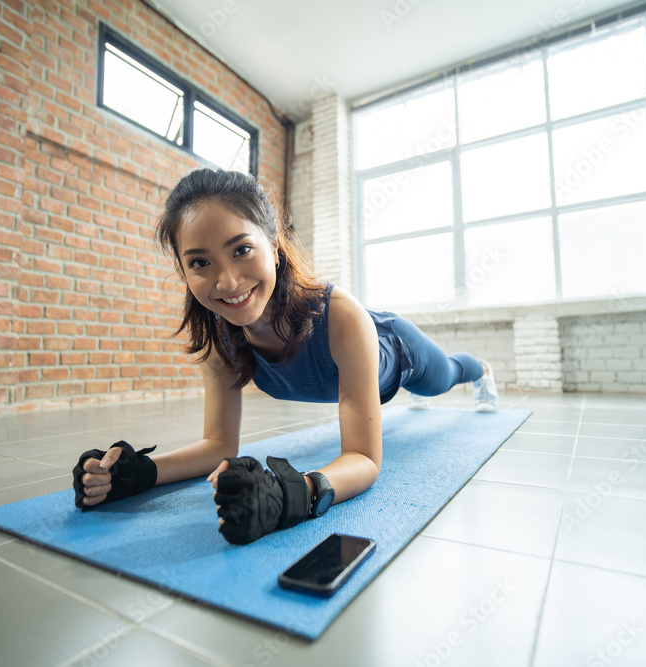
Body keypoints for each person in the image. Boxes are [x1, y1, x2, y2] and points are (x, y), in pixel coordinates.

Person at [71, 167, 499, 545]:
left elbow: (365, 459)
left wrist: (295, 491)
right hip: (363, 366)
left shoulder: (343, 316)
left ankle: (480, 370)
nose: (228, 281)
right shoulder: (219, 338)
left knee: (445, 375)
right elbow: (218, 444)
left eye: (242, 250)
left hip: (397, 350)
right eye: (200, 263)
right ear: (184, 273)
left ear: (273, 245)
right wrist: (139, 473)